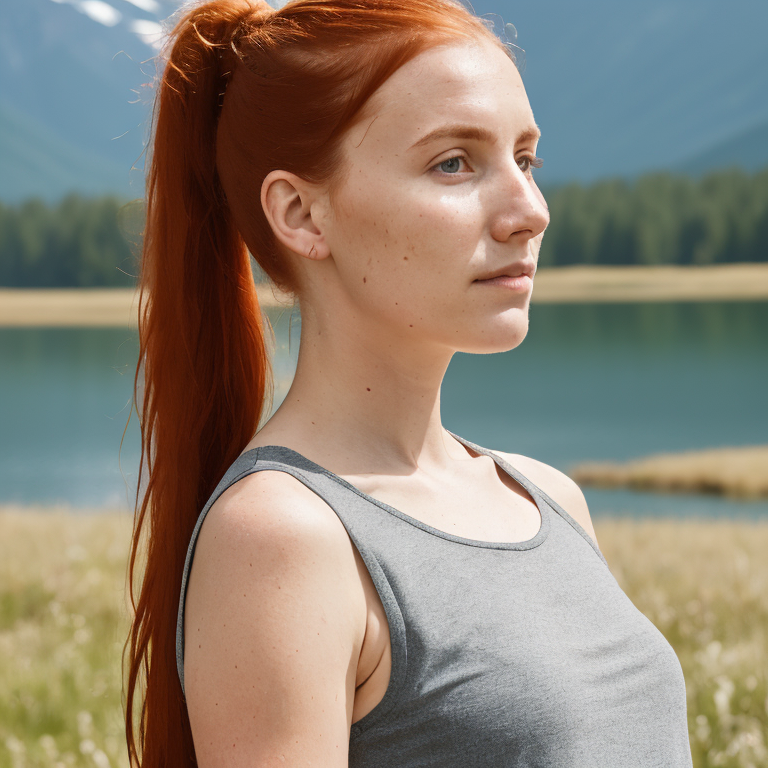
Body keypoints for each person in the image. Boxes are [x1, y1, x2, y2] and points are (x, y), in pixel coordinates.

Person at [123, 0, 694, 765]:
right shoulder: (286, 539)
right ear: (300, 213)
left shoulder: (549, 499)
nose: (530, 212)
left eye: (525, 159)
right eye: (453, 162)